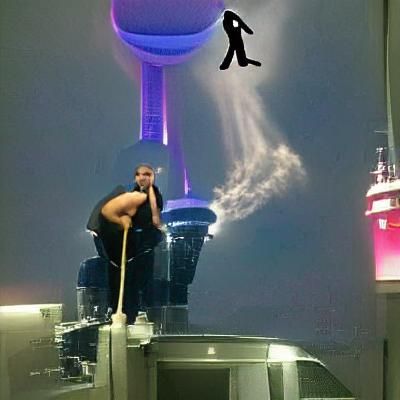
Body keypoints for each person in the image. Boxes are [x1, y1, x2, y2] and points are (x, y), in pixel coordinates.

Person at [87, 164, 163, 323]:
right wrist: (119, 220)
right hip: (111, 236)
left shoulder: (150, 197)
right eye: (141, 175)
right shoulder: (135, 196)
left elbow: (155, 219)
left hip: (122, 241)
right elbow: (106, 212)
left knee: (129, 275)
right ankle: (121, 313)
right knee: (120, 275)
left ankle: (128, 313)